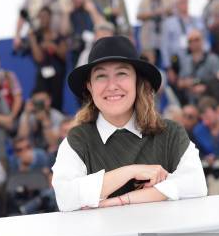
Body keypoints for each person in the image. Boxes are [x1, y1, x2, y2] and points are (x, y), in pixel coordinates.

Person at [52, 36, 207, 212]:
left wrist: (122, 200)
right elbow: (65, 198)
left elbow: (196, 184)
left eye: (122, 74)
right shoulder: (77, 140)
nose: (112, 86)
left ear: (137, 81)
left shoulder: (170, 133)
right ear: (89, 86)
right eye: (101, 76)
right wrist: (131, 171)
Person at [29, 6, 68, 111]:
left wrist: (52, 46)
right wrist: (32, 39)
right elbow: (38, 58)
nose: (43, 19)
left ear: (50, 18)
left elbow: (64, 55)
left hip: (57, 75)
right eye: (40, 17)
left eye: (45, 16)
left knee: (56, 102)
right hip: (43, 76)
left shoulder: (58, 35)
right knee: (40, 102)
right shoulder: (36, 36)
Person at [7, 137, 57, 214]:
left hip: (42, 190)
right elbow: (14, 185)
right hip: (23, 192)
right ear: (16, 153)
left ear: (32, 147)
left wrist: (46, 174)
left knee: (50, 194)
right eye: (20, 150)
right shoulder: (13, 161)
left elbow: (51, 179)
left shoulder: (41, 156)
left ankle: (30, 207)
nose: (25, 151)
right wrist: (24, 167)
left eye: (28, 147)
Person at [173, 29, 219, 104]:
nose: (194, 43)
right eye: (190, 41)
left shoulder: (213, 59)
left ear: (203, 40)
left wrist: (206, 87)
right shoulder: (185, 61)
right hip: (190, 100)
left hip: (209, 99)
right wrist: (186, 83)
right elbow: (179, 83)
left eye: (197, 40)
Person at [160, 0, 205, 70]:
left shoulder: (197, 20)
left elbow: (205, 40)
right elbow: (164, 46)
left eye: (186, 1)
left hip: (199, 61)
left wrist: (205, 56)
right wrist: (168, 67)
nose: (185, 4)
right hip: (178, 62)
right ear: (175, 5)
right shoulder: (168, 23)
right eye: (182, 2)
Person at [62, 0, 105, 66]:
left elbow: (103, 26)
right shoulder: (71, 11)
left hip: (93, 47)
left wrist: (92, 10)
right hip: (77, 49)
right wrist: (66, 14)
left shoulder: (93, 6)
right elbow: (64, 31)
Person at [18, 89, 65, 154]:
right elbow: (22, 137)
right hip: (32, 152)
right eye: (37, 102)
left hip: (51, 153)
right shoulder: (27, 115)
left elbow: (53, 143)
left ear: (49, 100)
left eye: (42, 101)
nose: (40, 105)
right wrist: (26, 115)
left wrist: (44, 120)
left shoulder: (57, 116)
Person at [137, 0, 174, 66]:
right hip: (149, 38)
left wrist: (164, 11)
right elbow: (138, 16)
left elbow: (174, 11)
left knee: (167, 62)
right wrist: (154, 13)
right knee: (150, 63)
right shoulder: (144, 1)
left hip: (165, 37)